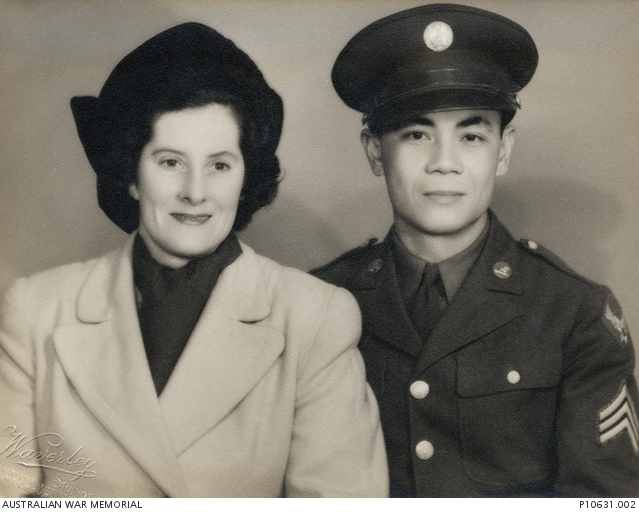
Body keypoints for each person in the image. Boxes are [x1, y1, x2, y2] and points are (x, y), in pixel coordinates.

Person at [0, 22, 388, 498]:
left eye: (220, 165)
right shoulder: (36, 310)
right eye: (170, 162)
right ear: (130, 173)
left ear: (246, 177)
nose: (196, 192)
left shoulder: (315, 318)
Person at [312, 3, 639, 497]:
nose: (445, 163)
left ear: (503, 149)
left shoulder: (574, 313)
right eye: (417, 134)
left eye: (471, 135)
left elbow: (605, 502)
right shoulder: (316, 303)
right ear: (375, 149)